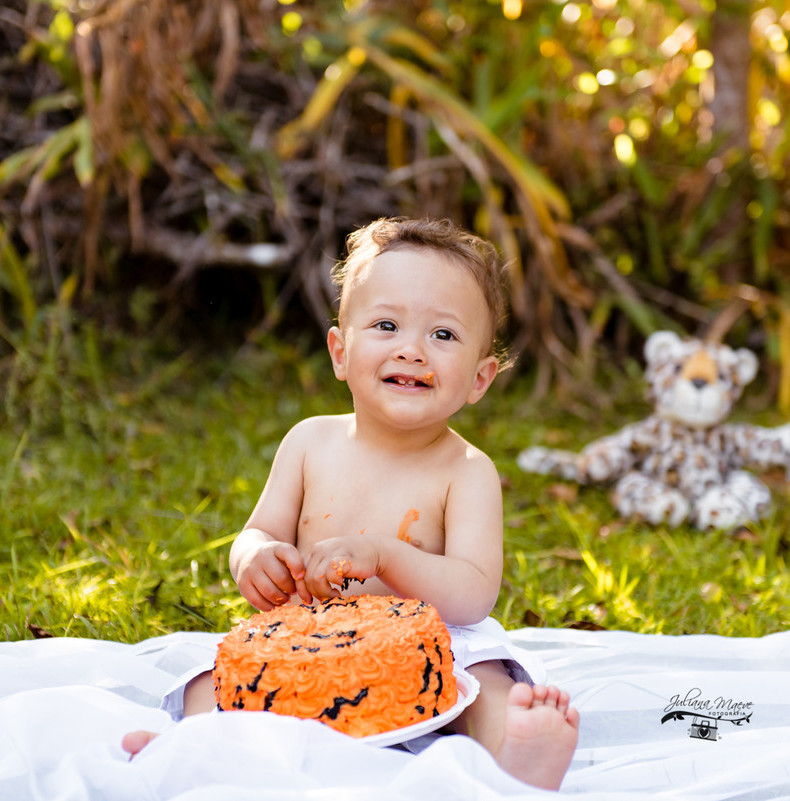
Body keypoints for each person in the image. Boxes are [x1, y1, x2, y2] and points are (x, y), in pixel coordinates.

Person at [124, 217, 579, 790]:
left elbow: (472, 595)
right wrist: (255, 559)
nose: (412, 350)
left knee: (486, 681)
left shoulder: (466, 471)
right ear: (341, 352)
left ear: (479, 379)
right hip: (310, 638)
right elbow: (257, 532)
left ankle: (515, 753)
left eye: (443, 335)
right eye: (387, 325)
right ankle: (192, 751)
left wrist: (386, 556)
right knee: (209, 678)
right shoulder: (309, 443)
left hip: (432, 645)